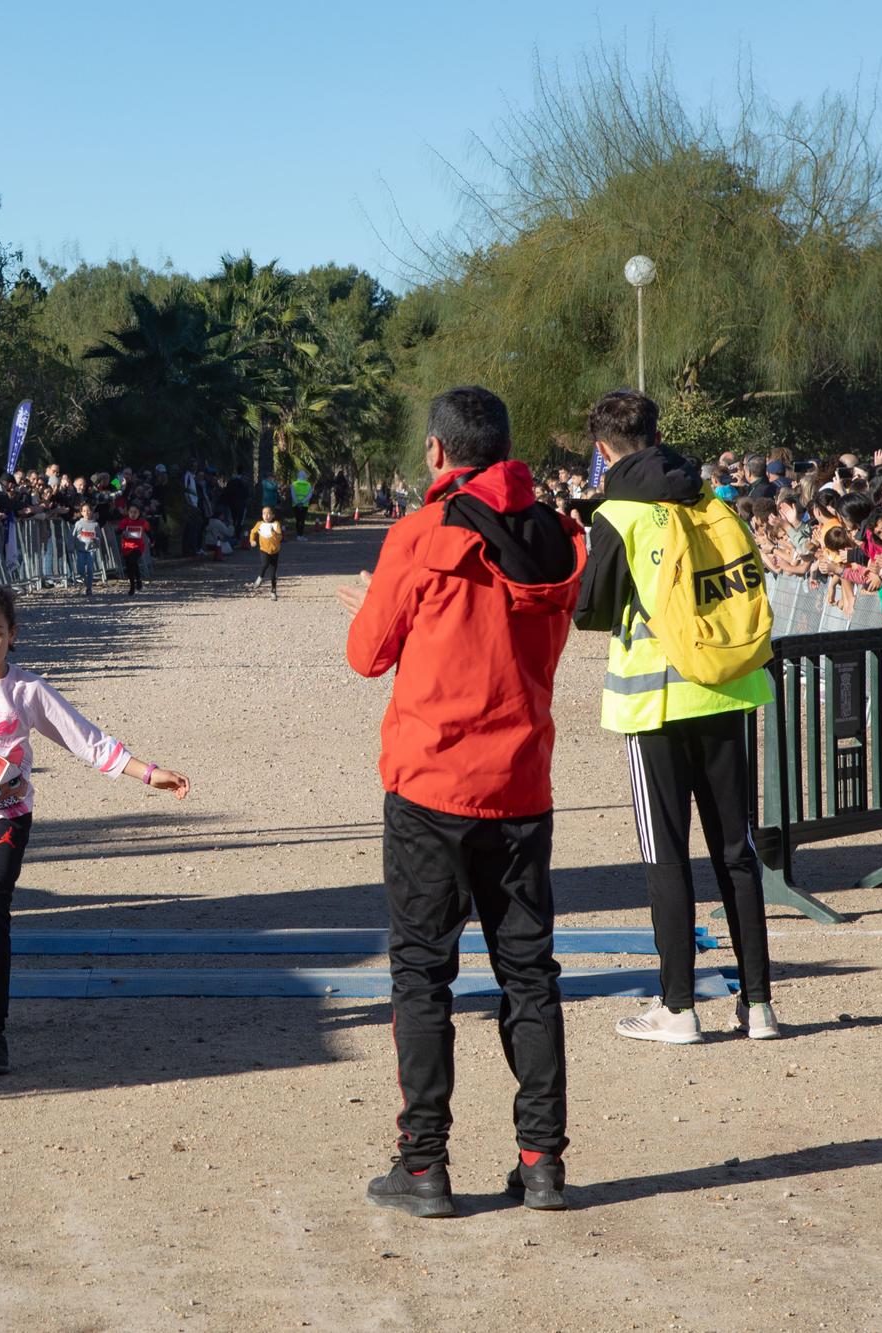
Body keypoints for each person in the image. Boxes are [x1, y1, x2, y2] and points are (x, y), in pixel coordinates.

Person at [339, 385, 585, 1218]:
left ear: (439, 453)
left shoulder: (420, 533)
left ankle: (423, 1164)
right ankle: (542, 1160)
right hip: (520, 781)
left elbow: (367, 655)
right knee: (529, 974)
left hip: (432, 785)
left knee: (421, 972)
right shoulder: (553, 535)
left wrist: (380, 605)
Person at [0, 584, 189, 1075]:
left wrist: (148, 773)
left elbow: (85, 738)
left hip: (8, 816)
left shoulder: (27, 689)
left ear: (12, 634)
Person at [572, 389, 779, 1046]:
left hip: (656, 697)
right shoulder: (709, 498)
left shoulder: (621, 512)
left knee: (667, 853)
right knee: (735, 850)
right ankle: (759, 1004)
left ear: (602, 450)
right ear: (656, 435)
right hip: (727, 688)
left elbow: (591, 610)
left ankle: (678, 1006)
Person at [248, 506, 284, 598]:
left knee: (273, 574)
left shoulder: (276, 524)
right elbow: (252, 532)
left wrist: (274, 533)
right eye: (264, 513)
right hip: (264, 550)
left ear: (273, 515)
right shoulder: (259, 524)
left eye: (268, 514)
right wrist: (252, 541)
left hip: (275, 551)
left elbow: (280, 538)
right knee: (265, 564)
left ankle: (273, 591)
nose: (266, 516)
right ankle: (259, 578)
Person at [116, 502, 151, 595]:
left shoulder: (143, 522)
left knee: (133, 561)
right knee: (129, 567)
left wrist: (152, 540)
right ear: (128, 512)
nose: (133, 514)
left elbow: (149, 532)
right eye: (131, 512)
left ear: (139, 513)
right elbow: (118, 531)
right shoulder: (125, 521)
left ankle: (138, 580)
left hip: (138, 546)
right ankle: (132, 585)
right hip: (126, 547)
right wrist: (123, 531)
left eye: (135, 512)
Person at [72, 502, 103, 595]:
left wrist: (96, 540)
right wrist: (71, 546)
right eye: (84, 511)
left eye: (88, 511)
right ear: (81, 512)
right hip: (81, 550)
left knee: (90, 568)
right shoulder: (78, 524)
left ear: (92, 512)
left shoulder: (95, 525)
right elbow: (72, 536)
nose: (87, 513)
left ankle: (89, 587)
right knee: (80, 569)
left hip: (91, 550)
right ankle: (84, 580)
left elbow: (99, 537)